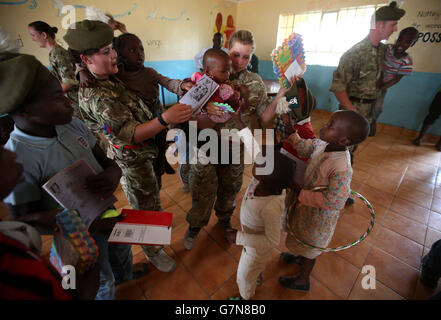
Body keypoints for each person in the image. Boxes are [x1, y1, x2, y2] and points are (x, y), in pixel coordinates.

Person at [63, 20, 193, 273]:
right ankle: (153, 252)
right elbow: (130, 134)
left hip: (146, 154)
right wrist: (165, 118)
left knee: (152, 199)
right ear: (86, 58)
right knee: (145, 206)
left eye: (112, 49)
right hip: (132, 159)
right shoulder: (98, 95)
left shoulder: (107, 75)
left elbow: (142, 65)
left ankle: (154, 238)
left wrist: (81, 68)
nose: (114, 56)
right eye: (106, 52)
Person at [0, 51, 128, 299]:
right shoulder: (17, 158)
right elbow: (25, 220)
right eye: (58, 98)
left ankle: (126, 277)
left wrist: (114, 172)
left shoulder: (71, 124)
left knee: (120, 252)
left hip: (106, 212)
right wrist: (81, 224)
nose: (69, 101)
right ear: (25, 111)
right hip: (78, 237)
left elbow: (106, 161)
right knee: (102, 281)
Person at [183, 29, 291, 250]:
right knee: (202, 187)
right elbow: (189, 113)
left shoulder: (254, 82)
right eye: (236, 54)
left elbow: (265, 117)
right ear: (227, 49)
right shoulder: (207, 76)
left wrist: (279, 96)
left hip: (235, 146)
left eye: (246, 56)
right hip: (206, 143)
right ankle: (195, 225)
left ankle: (224, 220)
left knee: (230, 187)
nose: (240, 61)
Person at [278, 110, 370, 292]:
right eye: (328, 122)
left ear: (344, 140)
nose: (324, 126)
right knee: (300, 235)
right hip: (304, 209)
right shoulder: (323, 144)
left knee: (311, 245)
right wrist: (289, 128)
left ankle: (302, 280)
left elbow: (335, 201)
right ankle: (299, 256)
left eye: (330, 126)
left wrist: (299, 191)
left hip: (318, 217)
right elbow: (304, 147)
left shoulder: (341, 166)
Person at [0, 145, 100, 300]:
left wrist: (32, 218)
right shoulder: (11, 269)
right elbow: (68, 291)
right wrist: (82, 293)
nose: (11, 154)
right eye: (0, 151)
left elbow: (66, 284)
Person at [329, 1, 405, 204]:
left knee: (350, 154)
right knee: (341, 154)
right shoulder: (354, 53)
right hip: (352, 112)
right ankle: (333, 192)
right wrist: (354, 114)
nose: (395, 29)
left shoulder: (382, 51)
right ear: (379, 25)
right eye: (392, 24)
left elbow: (380, 82)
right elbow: (338, 87)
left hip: (369, 110)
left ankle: (341, 190)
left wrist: (373, 116)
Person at [111, 33, 194, 183]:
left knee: (162, 141)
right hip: (140, 121)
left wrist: (181, 85)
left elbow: (167, 82)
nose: (140, 54)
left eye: (141, 49)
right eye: (132, 50)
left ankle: (162, 163)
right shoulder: (118, 78)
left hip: (156, 112)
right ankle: (158, 166)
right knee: (150, 148)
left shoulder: (149, 72)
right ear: (120, 55)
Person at [225, 147, 296, 300]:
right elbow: (257, 150)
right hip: (252, 242)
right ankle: (257, 274)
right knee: (255, 269)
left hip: (255, 251)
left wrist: (238, 237)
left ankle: (246, 297)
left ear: (265, 178)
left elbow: (272, 240)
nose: (254, 162)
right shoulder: (262, 181)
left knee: (244, 277)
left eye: (258, 163)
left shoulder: (270, 207)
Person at [27, 21, 81, 119]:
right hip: (72, 101)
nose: (32, 39)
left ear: (43, 35)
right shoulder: (53, 54)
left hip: (78, 102)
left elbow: (69, 82)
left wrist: (49, 96)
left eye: (33, 35)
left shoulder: (58, 54)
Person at [372, 27, 419, 134]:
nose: (401, 44)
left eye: (407, 42)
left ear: (412, 44)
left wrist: (381, 88)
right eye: (399, 40)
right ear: (396, 38)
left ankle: (373, 122)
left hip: (384, 85)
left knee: (377, 107)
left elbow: (397, 79)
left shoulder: (407, 61)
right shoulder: (387, 48)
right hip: (372, 79)